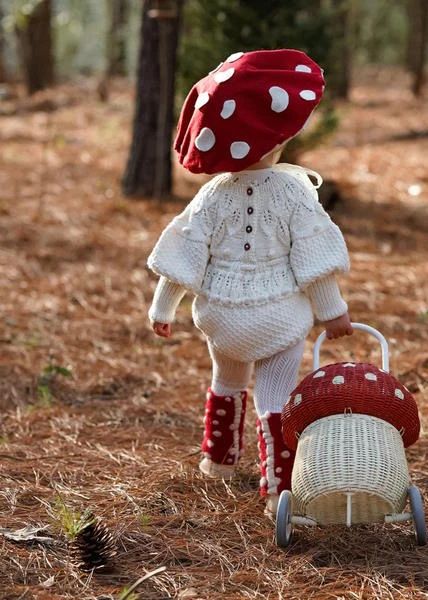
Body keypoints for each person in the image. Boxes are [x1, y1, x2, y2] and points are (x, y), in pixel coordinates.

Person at [147, 49, 352, 515]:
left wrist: (162, 308)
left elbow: (184, 253)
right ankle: (280, 488)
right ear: (279, 136)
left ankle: (218, 459)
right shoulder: (295, 194)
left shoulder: (211, 196)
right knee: (275, 397)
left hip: (222, 317)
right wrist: (332, 312)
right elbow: (313, 260)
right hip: (278, 318)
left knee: (227, 379)